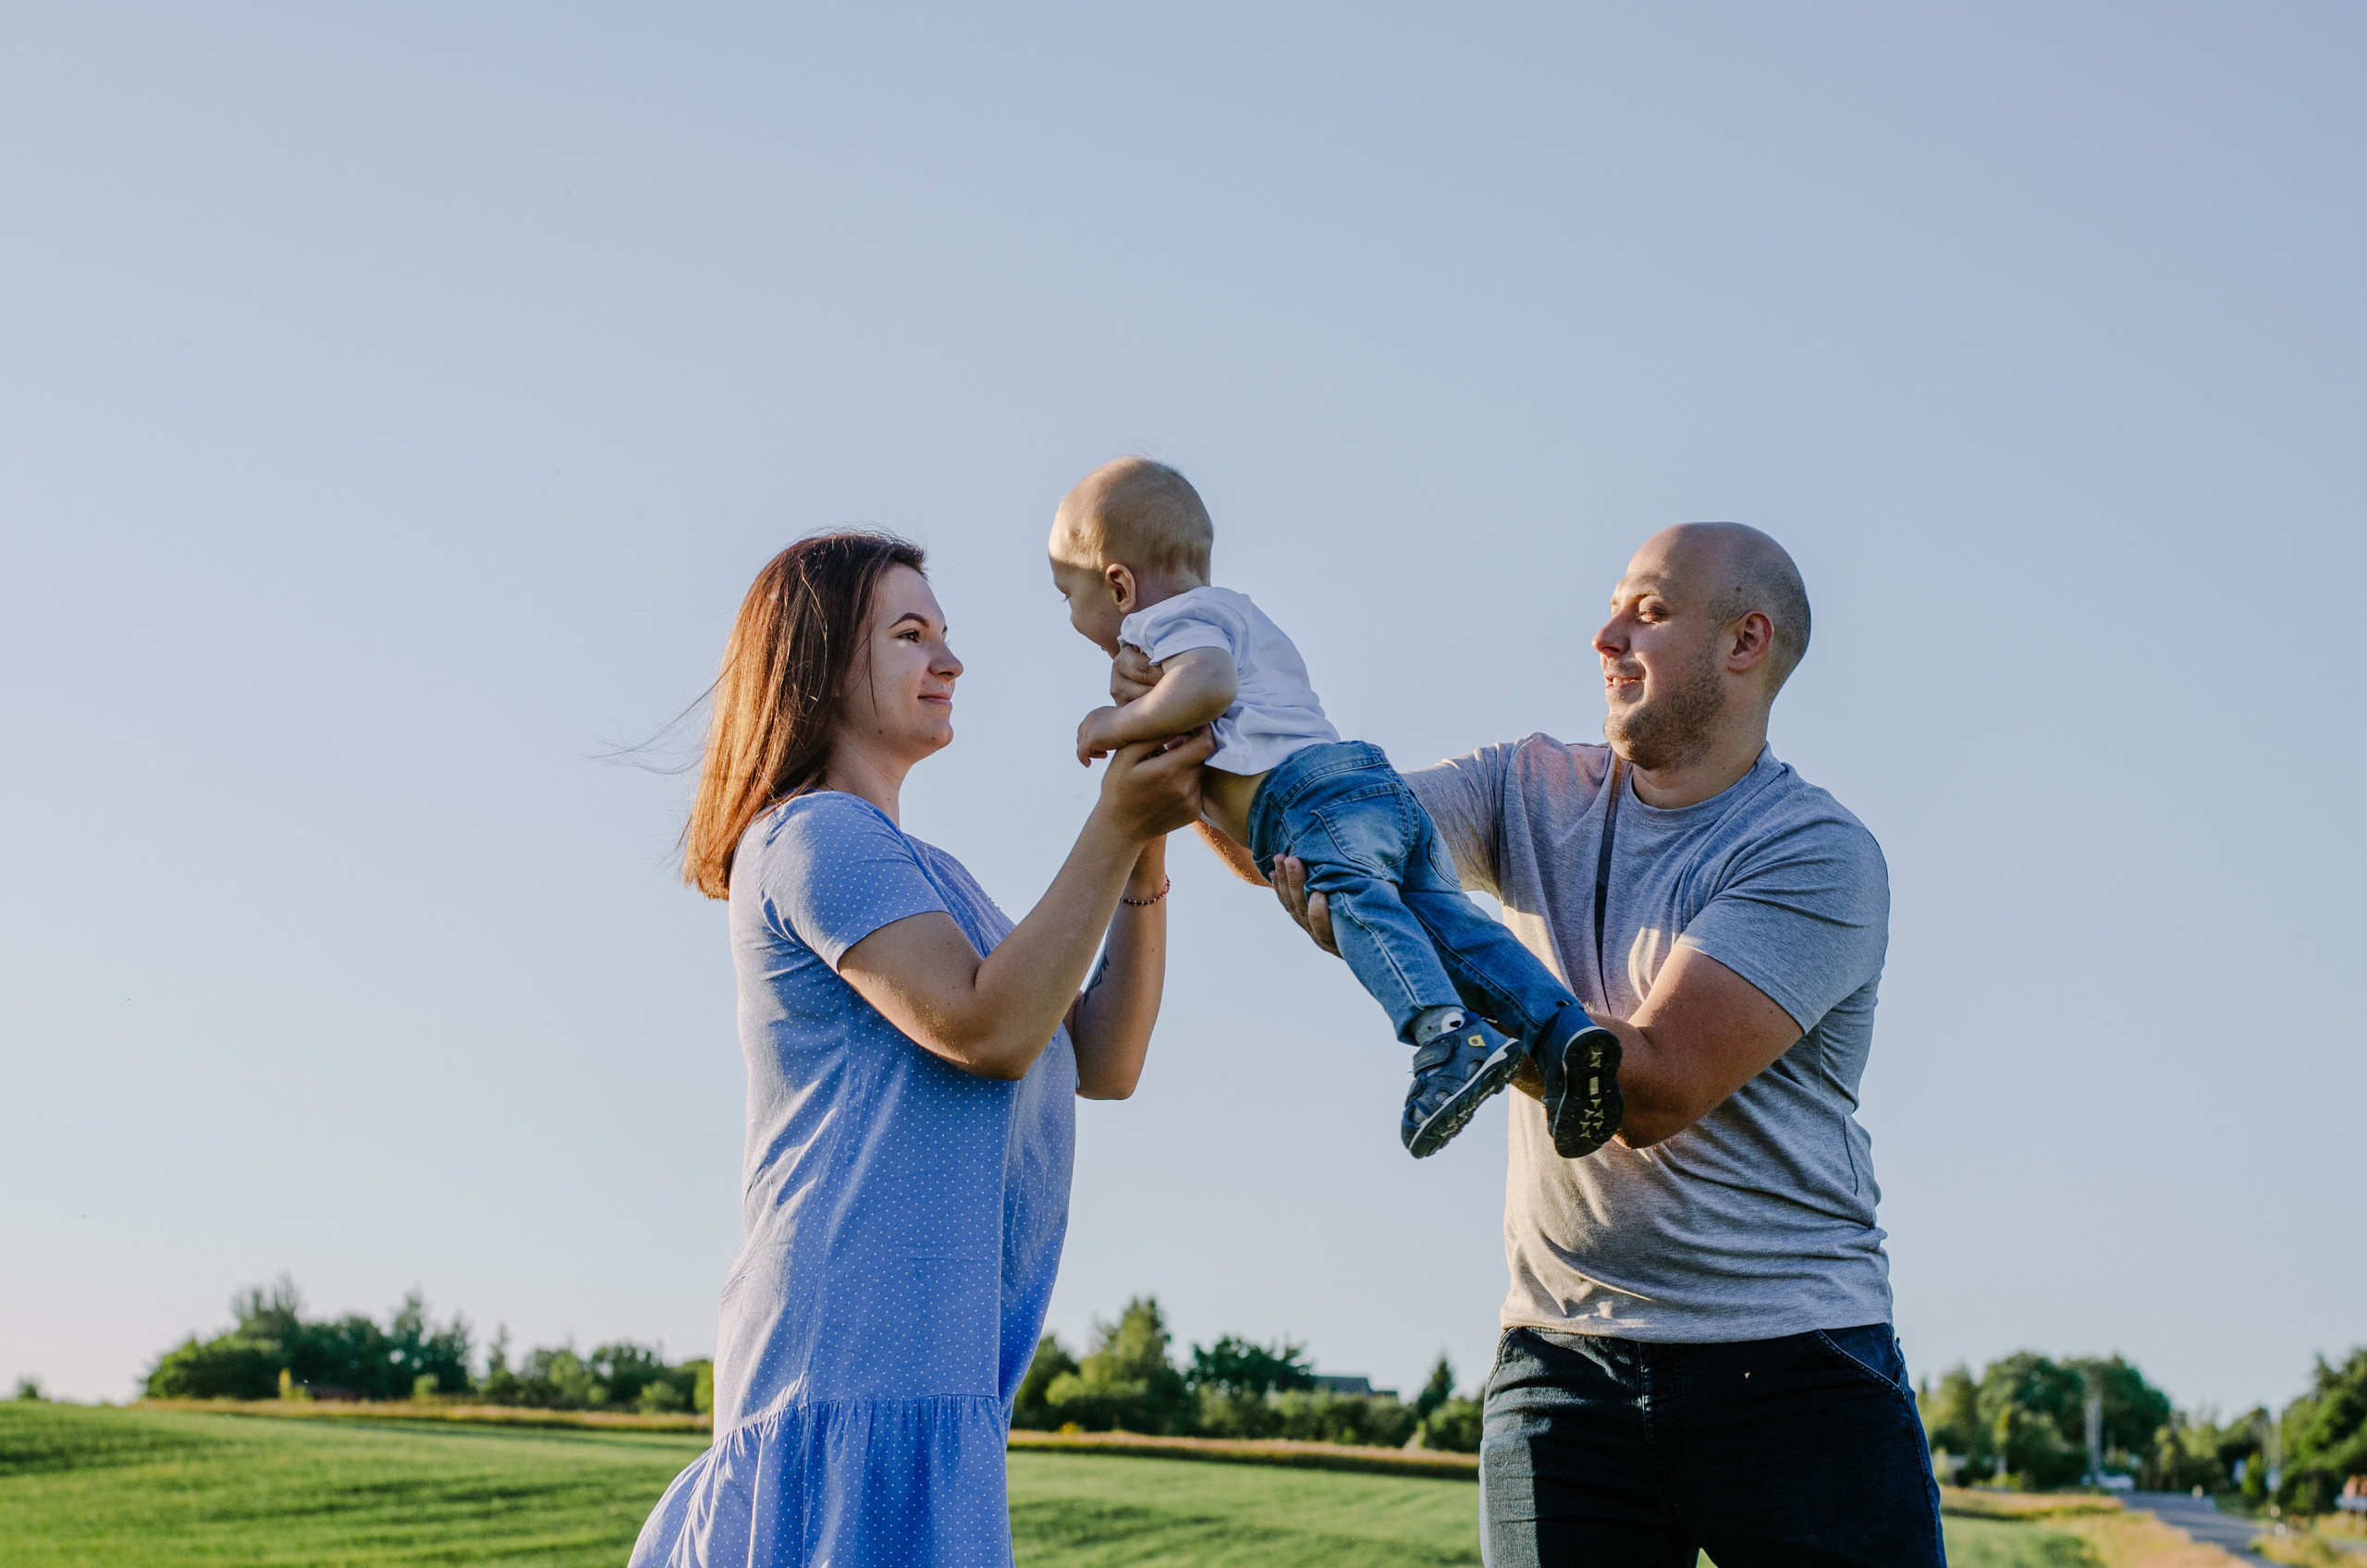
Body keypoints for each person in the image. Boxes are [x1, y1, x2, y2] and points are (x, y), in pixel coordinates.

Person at [1159, 521, 1939, 1565]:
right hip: (1561, 1370)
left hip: (1795, 1368)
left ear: (1744, 642)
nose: (1605, 636)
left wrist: (1434, 987)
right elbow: (1328, 832)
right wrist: (1186, 704)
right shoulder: (1525, 785)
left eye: (1648, 613)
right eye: (1613, 609)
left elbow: (1647, 1091)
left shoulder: (1813, 851)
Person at [629, 532, 1208, 1568]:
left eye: (944, 633)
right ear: (816, 666)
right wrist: (1116, 816)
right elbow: (990, 1029)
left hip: (932, 1387)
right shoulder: (812, 835)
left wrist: (1143, 837)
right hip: (843, 1375)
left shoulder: (934, 877)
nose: (951, 661)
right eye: (910, 635)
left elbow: (1106, 1057)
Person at [1050, 456, 1623, 1160]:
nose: (1069, 615)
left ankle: (1444, 1037)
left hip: (1306, 801)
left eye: (1067, 594)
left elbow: (1207, 687)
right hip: (1368, 787)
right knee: (1454, 929)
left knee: (1359, 905)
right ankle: (1563, 1031)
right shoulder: (1237, 613)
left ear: (1119, 585)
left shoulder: (1166, 621)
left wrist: (1114, 723)